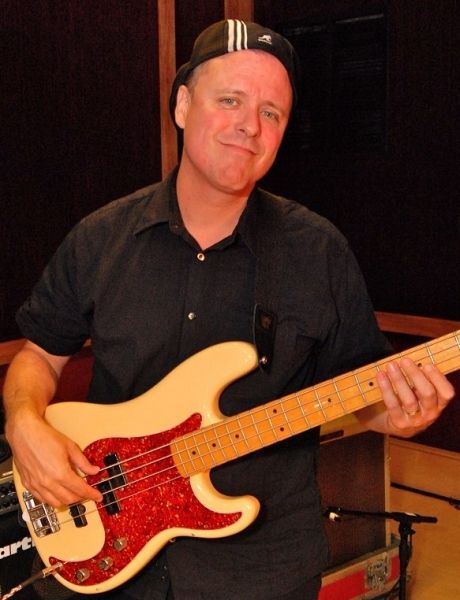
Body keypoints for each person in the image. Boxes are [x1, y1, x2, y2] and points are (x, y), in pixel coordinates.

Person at [3, 19, 454, 600]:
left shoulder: (318, 251)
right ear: (183, 105)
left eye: (272, 113)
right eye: (230, 100)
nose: (250, 125)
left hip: (259, 570)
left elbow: (364, 395)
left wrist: (400, 415)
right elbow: (39, 354)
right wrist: (23, 423)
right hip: (103, 546)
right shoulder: (101, 237)